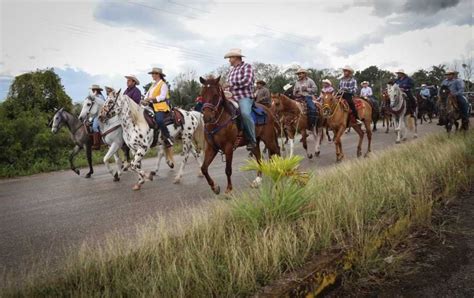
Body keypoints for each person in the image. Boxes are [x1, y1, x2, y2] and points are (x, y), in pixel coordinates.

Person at [223, 48, 256, 150]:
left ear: (236, 57)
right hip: (232, 98)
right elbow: (228, 86)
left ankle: (252, 139)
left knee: (245, 114)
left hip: (244, 97)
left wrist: (230, 84)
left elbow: (247, 81)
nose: (229, 60)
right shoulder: (231, 71)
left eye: (230, 58)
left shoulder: (247, 67)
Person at [144, 67, 173, 147]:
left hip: (161, 106)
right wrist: (144, 99)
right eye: (152, 74)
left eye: (153, 74)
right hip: (151, 105)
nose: (152, 75)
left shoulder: (163, 84)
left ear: (158, 75)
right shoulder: (153, 85)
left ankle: (168, 137)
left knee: (159, 120)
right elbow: (147, 95)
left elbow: (163, 97)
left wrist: (152, 99)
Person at [89, 84, 105, 149]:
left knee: (94, 126)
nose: (92, 91)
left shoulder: (100, 97)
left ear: (96, 90)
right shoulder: (94, 97)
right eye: (92, 90)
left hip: (100, 114)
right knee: (89, 125)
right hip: (95, 114)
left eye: (93, 90)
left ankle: (97, 144)